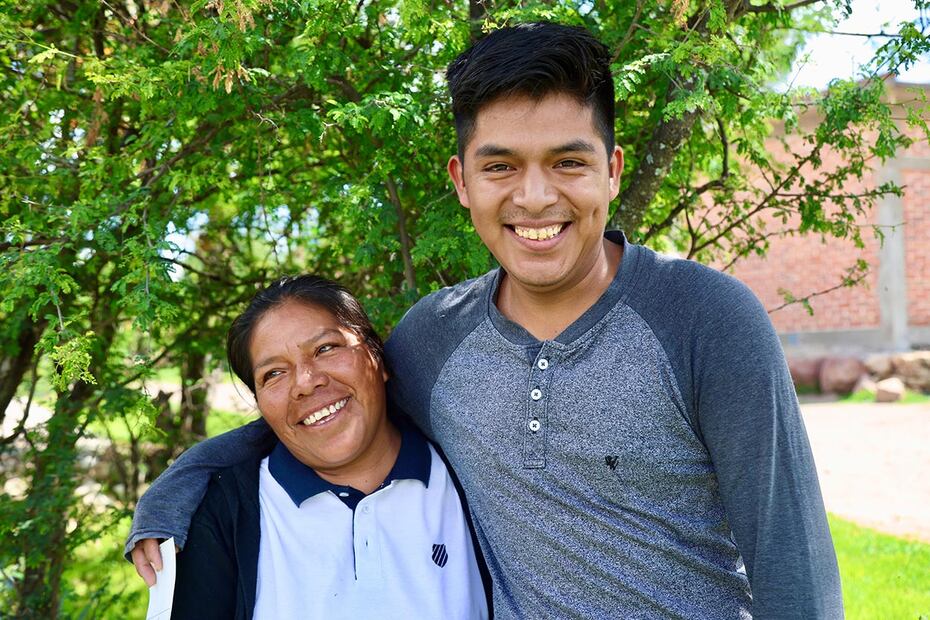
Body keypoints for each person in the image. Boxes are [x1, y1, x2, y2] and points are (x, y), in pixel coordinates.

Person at [128, 22, 843, 619]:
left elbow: (793, 566)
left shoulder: (705, 319)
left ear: (614, 170)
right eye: (500, 167)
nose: (534, 198)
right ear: (462, 182)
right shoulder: (435, 338)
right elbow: (324, 408)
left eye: (568, 162)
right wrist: (179, 486)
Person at [163, 275, 487, 619]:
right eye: (273, 374)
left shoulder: (471, 474)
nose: (305, 382)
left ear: (377, 356)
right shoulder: (226, 513)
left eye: (326, 349)